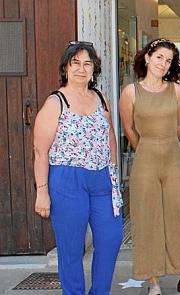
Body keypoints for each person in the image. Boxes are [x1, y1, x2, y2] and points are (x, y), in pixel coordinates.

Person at [33, 41, 123, 294]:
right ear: (65, 67)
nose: (82, 69)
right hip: (66, 180)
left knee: (111, 238)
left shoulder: (101, 99)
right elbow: (40, 151)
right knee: (71, 247)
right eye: (76, 63)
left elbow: (110, 138)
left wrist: (113, 175)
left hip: (102, 179)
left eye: (87, 64)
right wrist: (42, 191)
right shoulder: (55, 102)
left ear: (94, 69)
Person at [119, 39, 180, 295]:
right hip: (145, 159)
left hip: (174, 158)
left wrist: (164, 144)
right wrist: (146, 148)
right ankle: (153, 282)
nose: (163, 63)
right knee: (147, 218)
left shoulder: (176, 90)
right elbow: (128, 129)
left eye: (168, 60)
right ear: (147, 58)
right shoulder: (130, 92)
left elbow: (179, 127)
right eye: (159, 57)